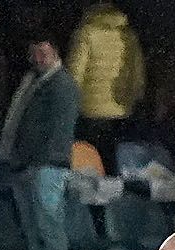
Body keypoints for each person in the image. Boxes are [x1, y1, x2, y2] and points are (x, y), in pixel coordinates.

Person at [0, 36, 78, 250]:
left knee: (49, 225)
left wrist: (40, 161)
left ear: (55, 51)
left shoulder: (63, 84)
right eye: (34, 54)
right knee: (33, 228)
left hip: (46, 167)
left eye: (43, 53)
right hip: (25, 164)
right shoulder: (33, 81)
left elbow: (59, 131)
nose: (38, 59)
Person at [66, 1, 142, 162]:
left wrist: (71, 104)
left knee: (89, 161)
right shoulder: (129, 36)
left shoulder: (85, 33)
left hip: (90, 110)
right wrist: (132, 100)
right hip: (121, 109)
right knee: (114, 159)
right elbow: (137, 75)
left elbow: (75, 74)